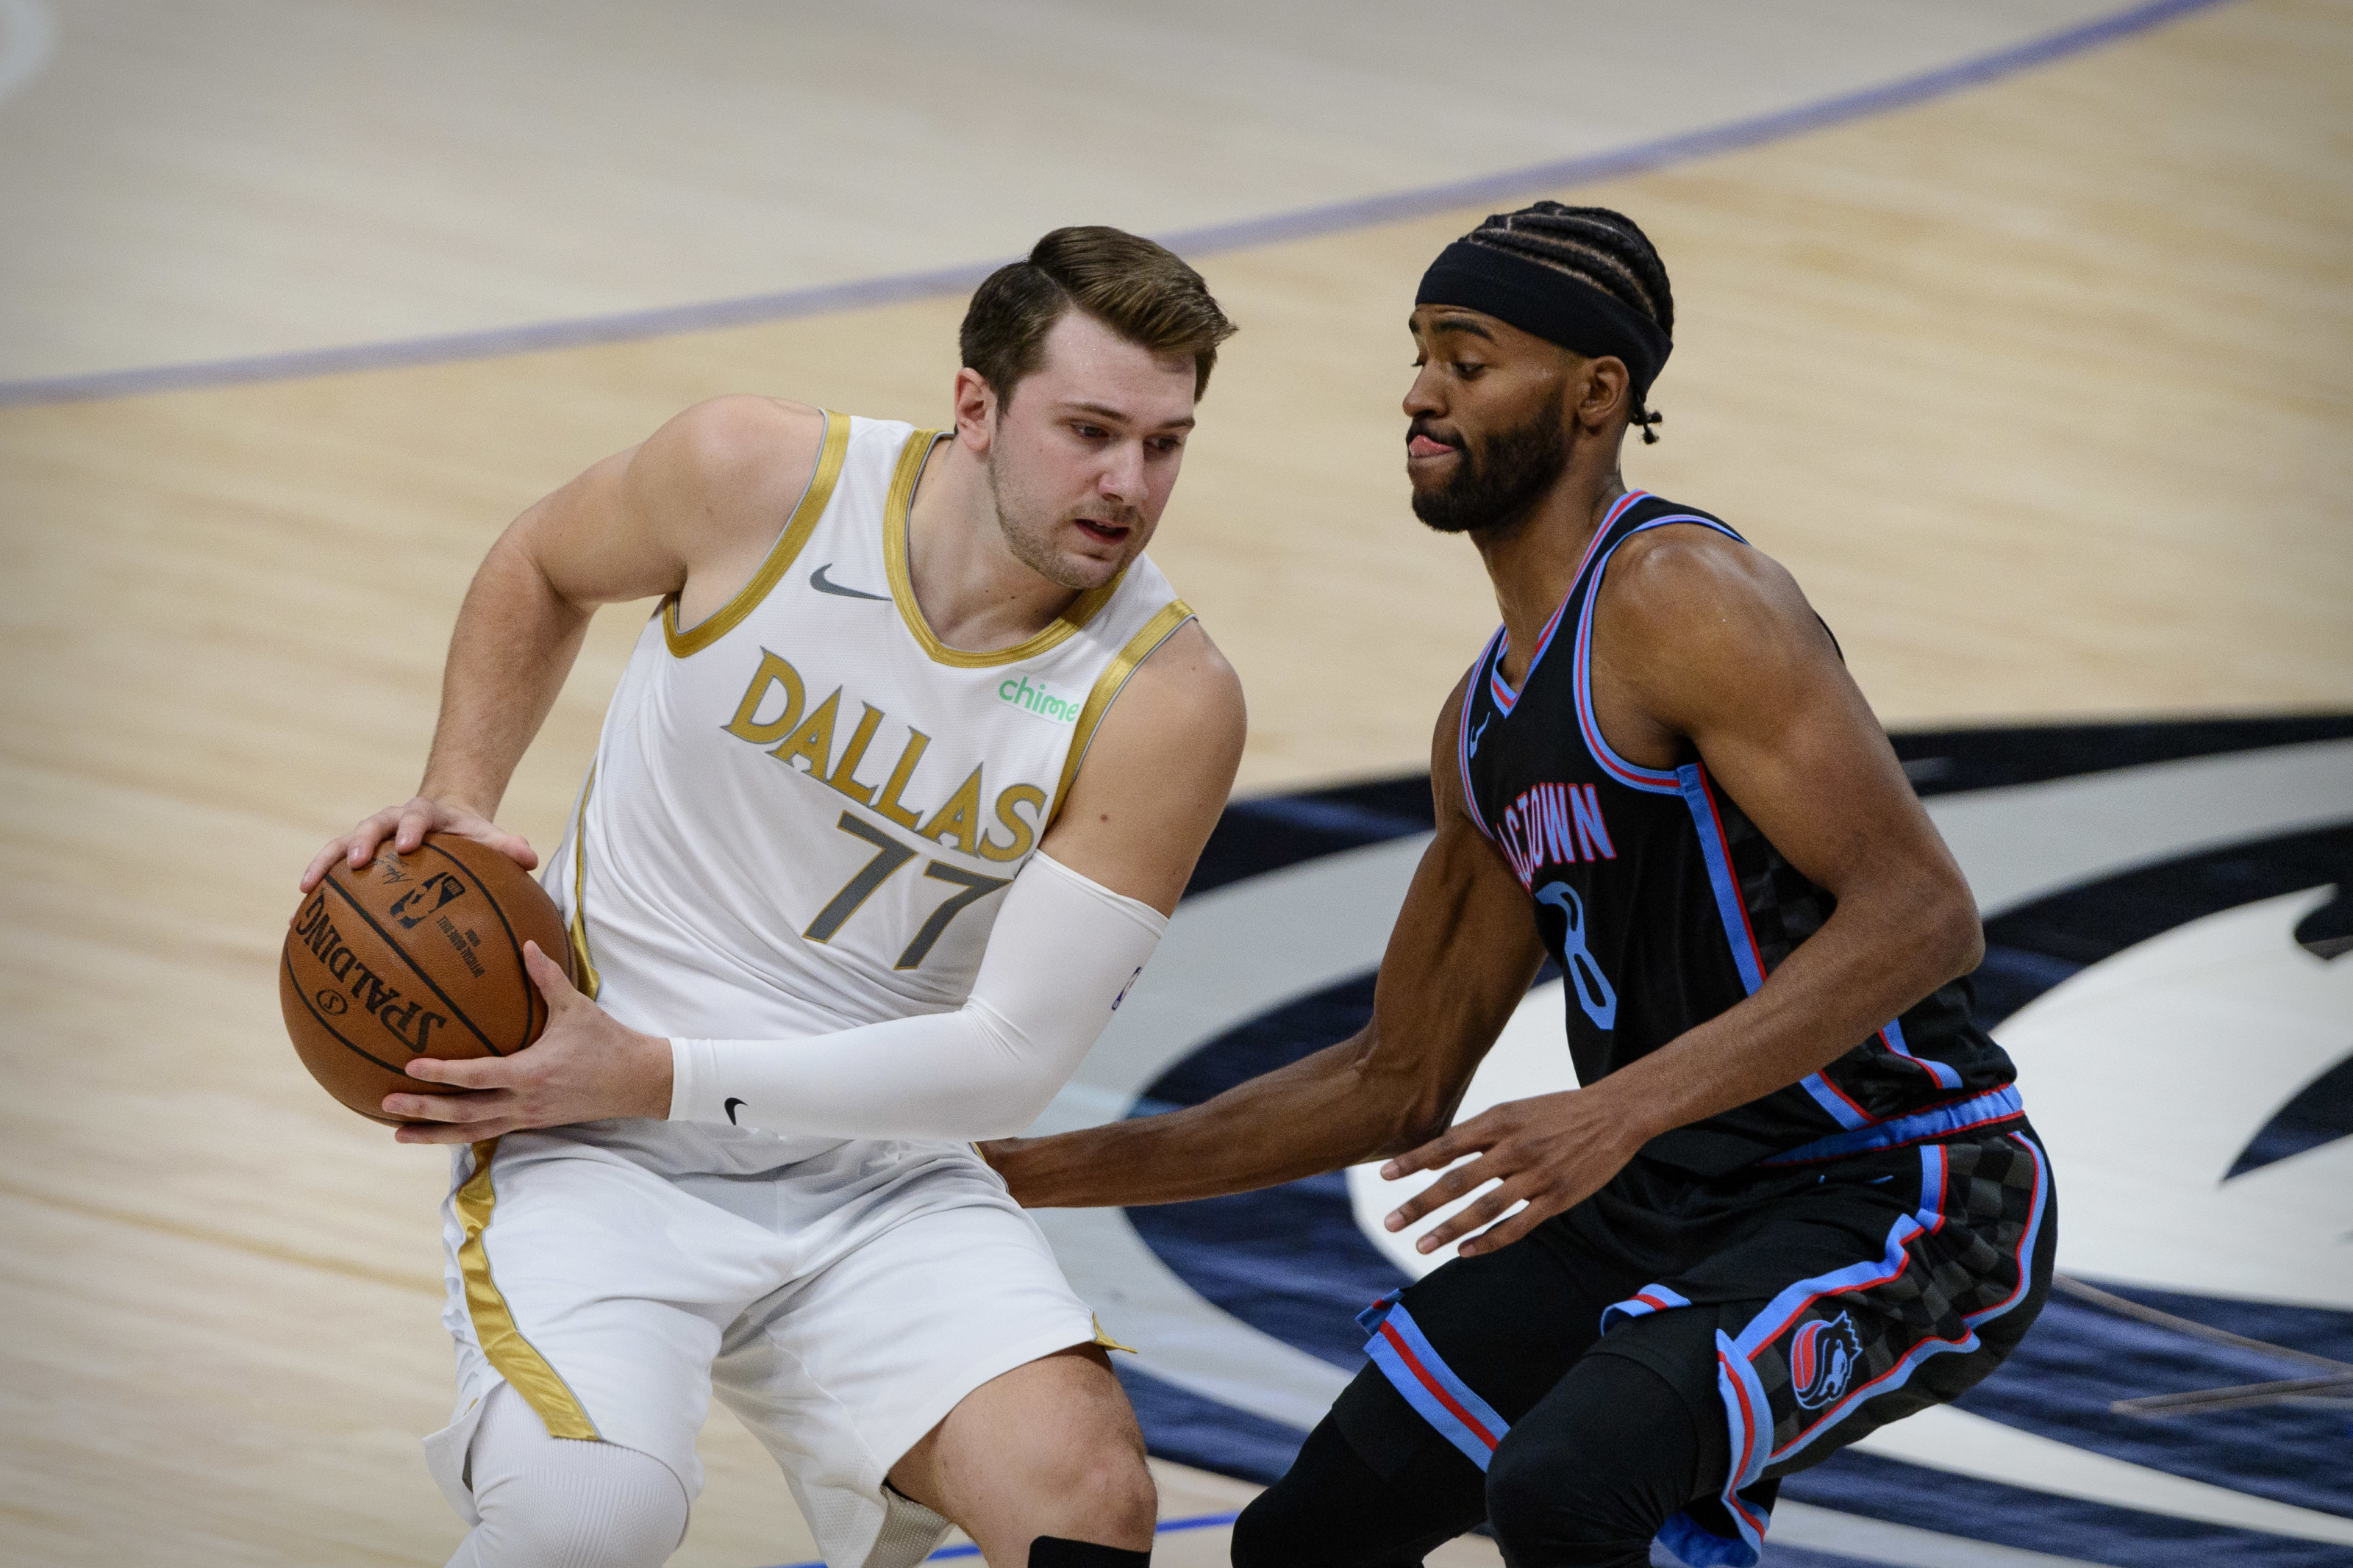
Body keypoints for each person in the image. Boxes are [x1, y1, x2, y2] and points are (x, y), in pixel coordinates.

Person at [981, 204, 2054, 1568]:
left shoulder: (1685, 595)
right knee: (1310, 1537)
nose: (1422, 394)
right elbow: (1396, 1081)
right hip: (1663, 1196)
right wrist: (1026, 1173)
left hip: (1905, 1182)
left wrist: (1616, 1112)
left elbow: (1925, 915)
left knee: (1570, 1485)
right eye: (1421, 354)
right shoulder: (1480, 725)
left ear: (1596, 393)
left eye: (1470, 360)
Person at [299, 226, 1246, 1568]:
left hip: (877, 1171)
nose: (1126, 482)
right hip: (589, 1140)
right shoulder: (756, 475)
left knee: (1090, 1505)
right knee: (587, 1520)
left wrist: (658, 1071)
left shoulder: (1166, 699)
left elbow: (1008, 1066)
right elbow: (542, 563)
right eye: (1090, 429)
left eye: (1165, 444)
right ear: (974, 406)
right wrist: (458, 796)